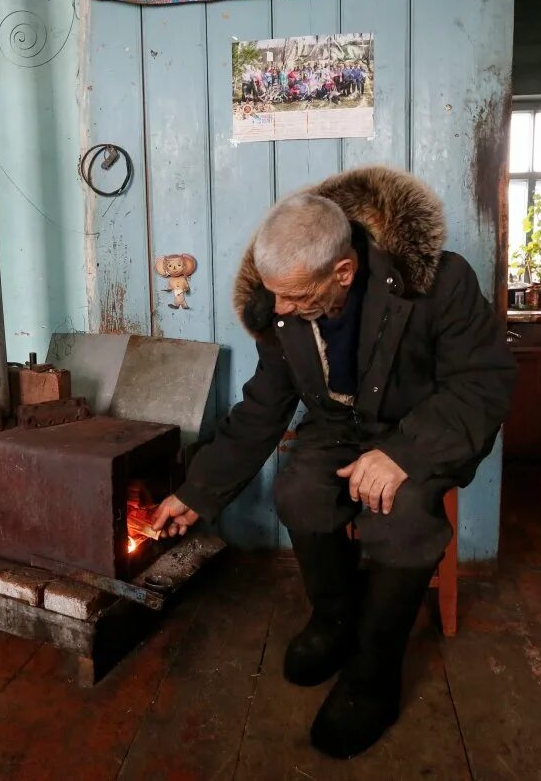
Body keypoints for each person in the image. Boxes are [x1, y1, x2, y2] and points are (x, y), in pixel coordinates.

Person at [151, 166, 517, 759]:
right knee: (297, 492)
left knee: (399, 516)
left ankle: (373, 671)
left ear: (343, 271)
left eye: (297, 296)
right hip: (338, 428)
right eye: (276, 297)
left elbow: (483, 383)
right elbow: (264, 408)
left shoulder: (441, 281)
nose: (284, 309)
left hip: (419, 431)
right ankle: (335, 619)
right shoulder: (280, 307)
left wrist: (403, 454)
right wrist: (197, 492)